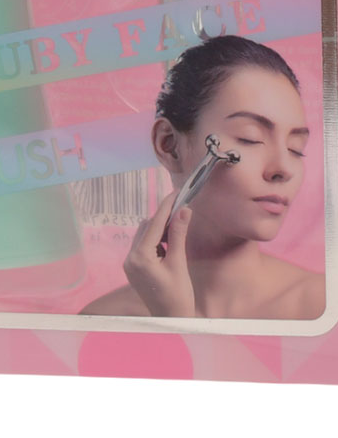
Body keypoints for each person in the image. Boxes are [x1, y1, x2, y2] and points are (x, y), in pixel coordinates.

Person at [80, 34, 324, 319]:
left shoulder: (323, 308)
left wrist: (176, 321)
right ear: (169, 145)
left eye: (296, 149)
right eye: (250, 138)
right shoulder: (103, 319)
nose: (283, 168)